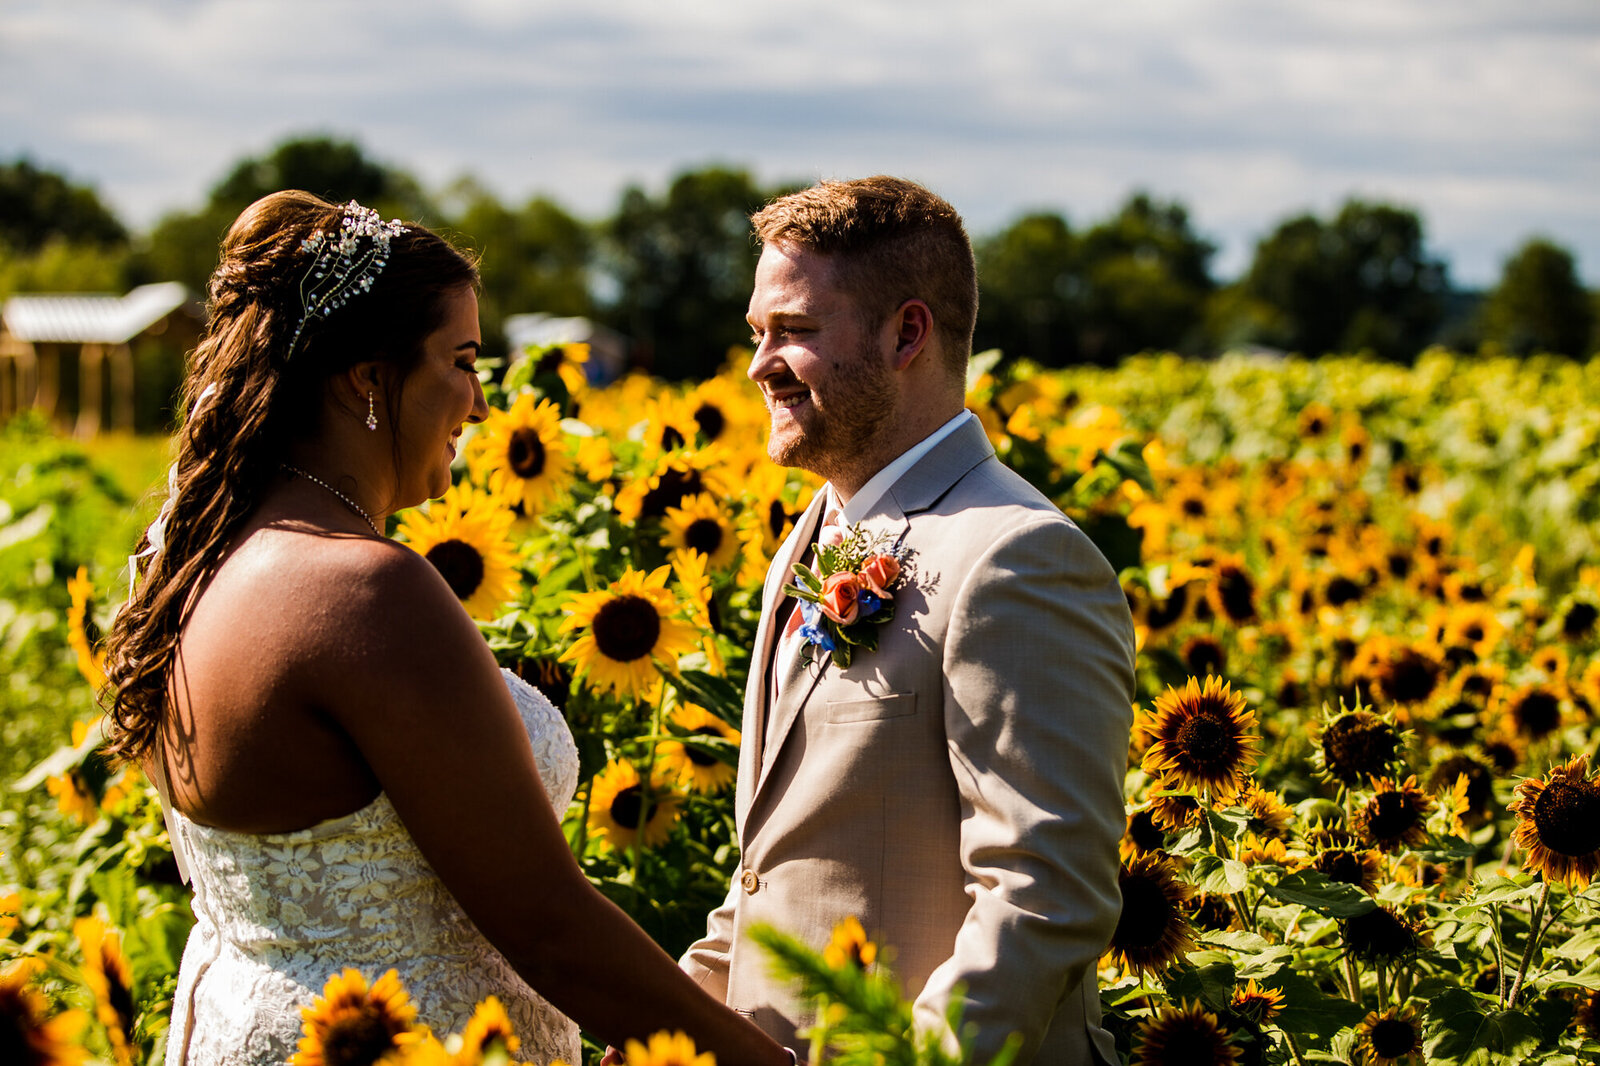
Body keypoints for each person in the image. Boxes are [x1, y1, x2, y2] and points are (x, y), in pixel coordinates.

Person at [100, 191, 792, 1066]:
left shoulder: (194, 558)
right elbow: (548, 925)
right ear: (366, 378)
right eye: (460, 361)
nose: (478, 401)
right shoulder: (364, 591)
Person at [679, 177, 1136, 1064]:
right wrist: (676, 1024)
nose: (759, 363)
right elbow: (773, 874)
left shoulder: (1018, 557)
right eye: (757, 333)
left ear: (908, 334)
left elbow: (1043, 894)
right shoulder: (805, 542)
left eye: (795, 332)